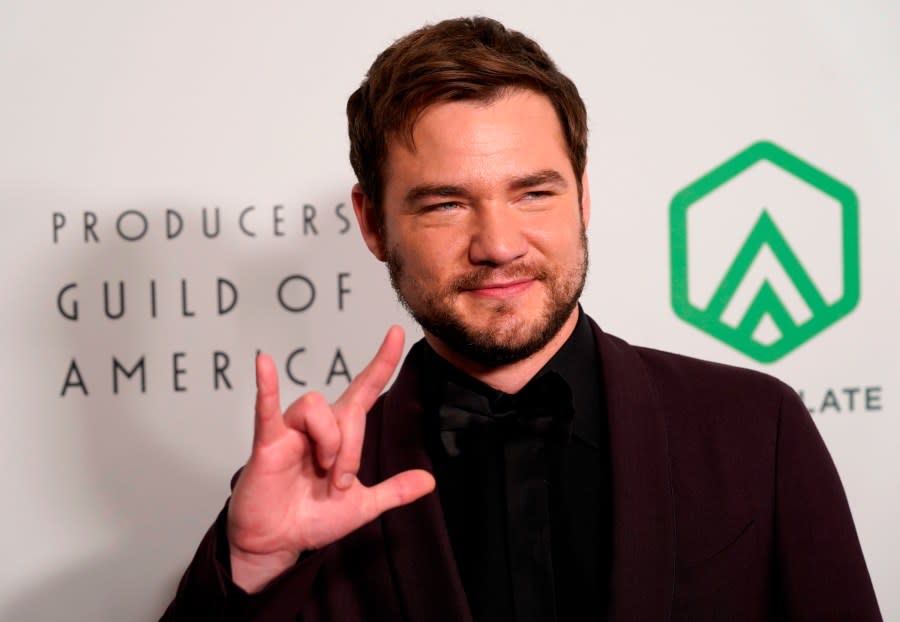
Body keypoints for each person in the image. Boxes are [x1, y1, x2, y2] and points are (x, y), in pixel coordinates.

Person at [161, 16, 882, 621]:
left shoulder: (755, 428)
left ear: (583, 197)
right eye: (446, 203)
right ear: (373, 223)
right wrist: (251, 564)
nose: (499, 245)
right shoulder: (320, 494)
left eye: (533, 193)